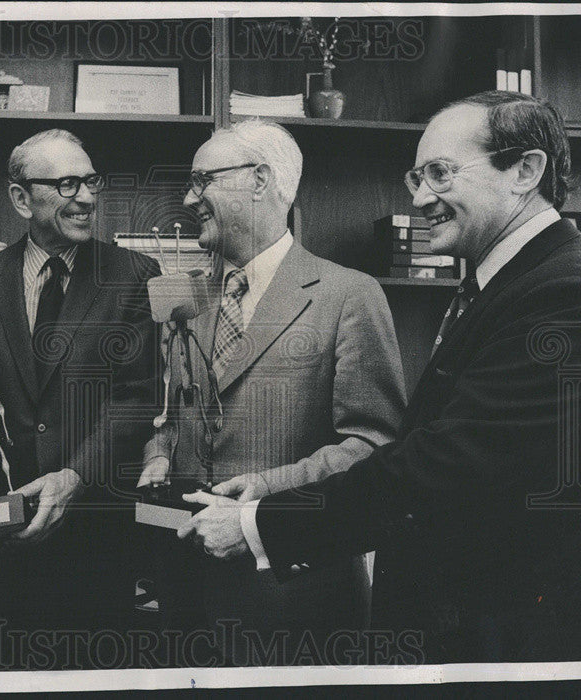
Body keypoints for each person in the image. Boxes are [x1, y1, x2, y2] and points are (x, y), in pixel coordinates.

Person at [180, 92, 581, 663]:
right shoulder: (516, 284)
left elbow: (448, 465)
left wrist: (262, 523)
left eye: (440, 174)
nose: (421, 197)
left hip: (530, 644)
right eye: (416, 177)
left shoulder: (573, 295)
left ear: (526, 171)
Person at [138, 119, 406, 666]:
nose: (190, 198)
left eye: (201, 180)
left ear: (259, 180)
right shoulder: (189, 295)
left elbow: (372, 446)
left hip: (293, 603)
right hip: (186, 600)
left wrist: (264, 487)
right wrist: (158, 453)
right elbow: (171, 413)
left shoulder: (350, 295)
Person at [0, 129, 160, 669]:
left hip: (96, 537)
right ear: (20, 199)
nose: (85, 197)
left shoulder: (133, 275)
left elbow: (137, 396)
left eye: (89, 181)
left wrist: (74, 476)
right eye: (65, 184)